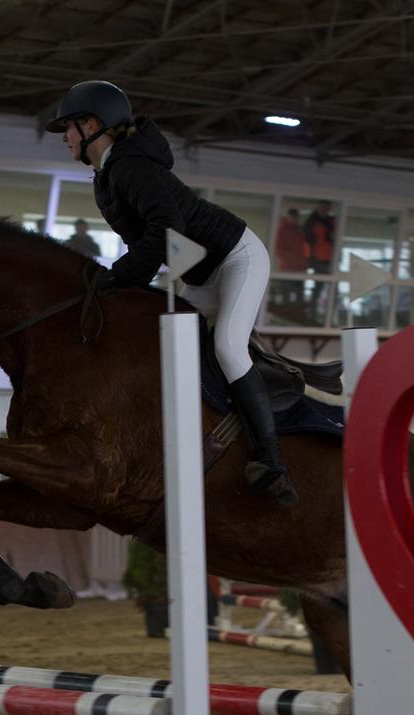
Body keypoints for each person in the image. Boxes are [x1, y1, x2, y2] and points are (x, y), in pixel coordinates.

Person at [46, 80, 295, 505]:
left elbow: (167, 228)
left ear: (90, 125)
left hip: (237, 257)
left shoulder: (130, 167)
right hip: (200, 273)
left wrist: (121, 276)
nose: (64, 137)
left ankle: (271, 461)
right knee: (165, 345)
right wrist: (122, 281)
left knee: (227, 348)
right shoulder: (107, 177)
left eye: (68, 127)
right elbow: (146, 241)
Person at [272, 208, 308, 310]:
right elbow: (279, 251)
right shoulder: (282, 231)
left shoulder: (300, 231)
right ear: (288, 217)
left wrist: (304, 261)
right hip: (287, 269)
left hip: (300, 268)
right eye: (292, 217)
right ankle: (286, 313)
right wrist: (297, 260)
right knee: (286, 294)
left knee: (299, 294)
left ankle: (298, 313)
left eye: (296, 217)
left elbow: (305, 248)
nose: (294, 219)